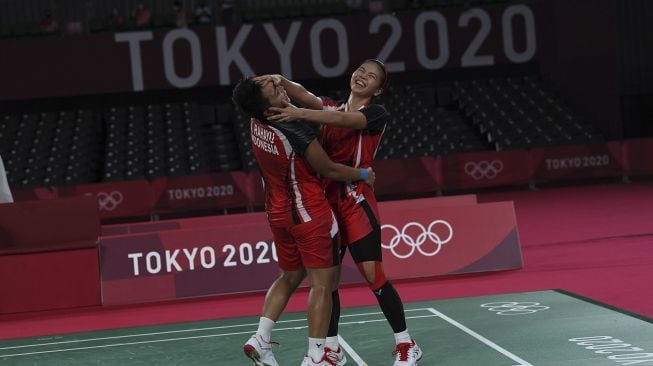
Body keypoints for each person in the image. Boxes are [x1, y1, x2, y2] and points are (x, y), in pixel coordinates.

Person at [260, 59, 423, 366]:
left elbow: (346, 122)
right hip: (325, 204)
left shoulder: (375, 114)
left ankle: (406, 343)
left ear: (379, 88)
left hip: (356, 203)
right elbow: (307, 95)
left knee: (374, 276)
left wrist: (297, 113)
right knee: (327, 280)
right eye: (361, 70)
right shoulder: (330, 108)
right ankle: (330, 349)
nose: (363, 77)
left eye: (371, 76)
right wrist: (282, 79)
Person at [232, 77, 375, 366]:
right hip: (309, 213)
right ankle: (317, 354)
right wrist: (362, 175)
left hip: (277, 214)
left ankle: (260, 337)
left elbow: (263, 94)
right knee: (324, 285)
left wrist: (277, 84)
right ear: (267, 104)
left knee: (291, 276)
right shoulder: (293, 130)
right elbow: (328, 169)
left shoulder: (256, 123)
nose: (280, 88)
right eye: (275, 90)